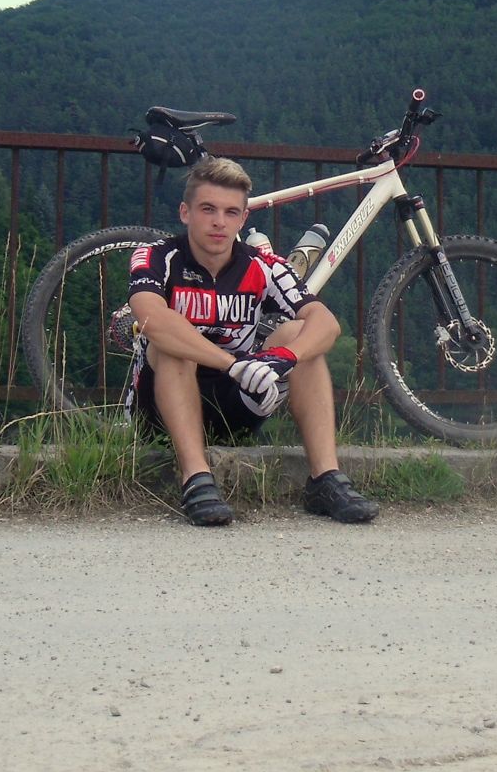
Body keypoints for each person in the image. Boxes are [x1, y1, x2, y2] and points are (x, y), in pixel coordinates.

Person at [127, 154, 379, 527]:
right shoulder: (156, 255)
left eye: (231, 212)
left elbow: (326, 323)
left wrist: (284, 358)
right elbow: (151, 318)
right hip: (161, 411)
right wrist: (233, 364)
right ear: (185, 212)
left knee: (300, 335)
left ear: (243, 219)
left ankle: (325, 478)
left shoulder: (265, 265)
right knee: (174, 339)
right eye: (208, 209)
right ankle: (196, 479)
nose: (219, 222)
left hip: (237, 404)